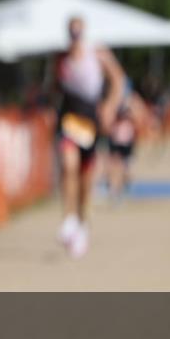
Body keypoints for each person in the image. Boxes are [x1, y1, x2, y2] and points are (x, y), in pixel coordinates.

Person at [51, 16, 125, 258]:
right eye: (71, 32)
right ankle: (69, 218)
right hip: (70, 119)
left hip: (90, 122)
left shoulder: (98, 53)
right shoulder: (61, 59)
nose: (75, 36)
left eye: (78, 32)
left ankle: (82, 225)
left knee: (85, 178)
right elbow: (55, 88)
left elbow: (119, 80)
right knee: (68, 164)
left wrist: (110, 107)